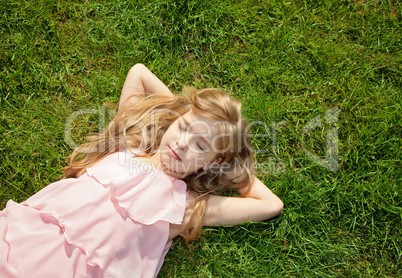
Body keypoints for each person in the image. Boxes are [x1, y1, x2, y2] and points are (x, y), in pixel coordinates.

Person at [0, 64, 283, 277]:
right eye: (183, 128)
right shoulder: (132, 144)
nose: (183, 144)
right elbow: (138, 73)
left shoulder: (185, 207)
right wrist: (183, 110)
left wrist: (228, 165)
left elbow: (271, 204)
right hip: (24, 238)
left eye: (199, 145)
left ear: (213, 160)